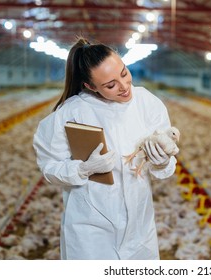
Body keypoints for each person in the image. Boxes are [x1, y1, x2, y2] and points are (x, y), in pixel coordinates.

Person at [33, 37, 178, 260]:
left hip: (139, 226)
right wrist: (82, 169)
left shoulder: (147, 103)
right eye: (110, 85)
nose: (124, 86)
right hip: (90, 230)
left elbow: (166, 168)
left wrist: (162, 161)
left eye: (124, 73)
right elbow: (50, 167)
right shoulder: (70, 113)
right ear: (90, 86)